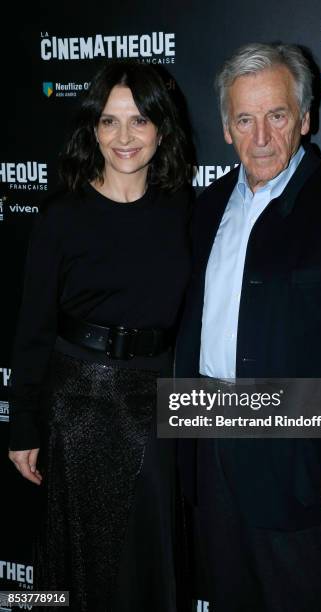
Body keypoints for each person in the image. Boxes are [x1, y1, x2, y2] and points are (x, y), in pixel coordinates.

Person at [175, 43, 321, 611]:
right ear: (226, 129)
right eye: (244, 120)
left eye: (276, 116)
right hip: (207, 439)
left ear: (304, 117)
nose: (260, 138)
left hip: (298, 451)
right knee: (225, 594)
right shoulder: (204, 208)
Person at [8, 60, 192, 612]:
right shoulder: (62, 215)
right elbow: (32, 326)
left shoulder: (184, 213)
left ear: (162, 128)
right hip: (78, 405)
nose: (123, 138)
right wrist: (23, 423)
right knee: (76, 562)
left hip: (153, 402)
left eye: (138, 121)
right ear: (93, 130)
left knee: (147, 562)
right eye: (109, 122)